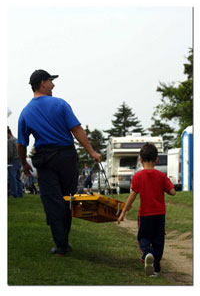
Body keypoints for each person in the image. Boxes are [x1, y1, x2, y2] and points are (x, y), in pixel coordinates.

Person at [17, 69, 101, 257]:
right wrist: (92, 152)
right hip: (67, 157)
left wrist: (24, 164)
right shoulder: (60, 104)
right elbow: (77, 130)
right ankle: (64, 242)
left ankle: (61, 244)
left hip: (45, 160)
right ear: (42, 83)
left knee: (52, 201)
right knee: (67, 199)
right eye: (51, 81)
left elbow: (21, 144)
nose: (53, 85)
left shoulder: (25, 112)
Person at [118, 142, 176, 277]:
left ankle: (146, 253)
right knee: (158, 241)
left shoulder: (137, 177)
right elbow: (173, 192)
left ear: (140, 159)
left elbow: (132, 196)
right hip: (159, 215)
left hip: (144, 215)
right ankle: (155, 269)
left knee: (143, 238)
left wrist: (123, 212)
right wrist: (166, 185)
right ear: (156, 160)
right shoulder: (161, 176)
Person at [7, 126, 24, 198]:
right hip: (19, 159)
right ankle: (20, 194)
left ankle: (13, 194)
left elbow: (10, 152)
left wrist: (8, 160)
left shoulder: (10, 140)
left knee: (12, 177)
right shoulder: (16, 139)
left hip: (13, 160)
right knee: (18, 178)